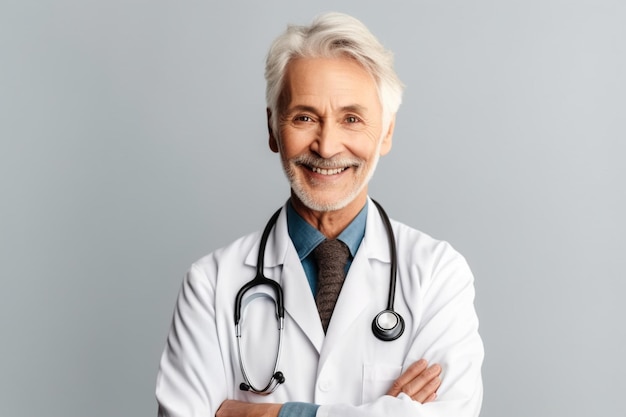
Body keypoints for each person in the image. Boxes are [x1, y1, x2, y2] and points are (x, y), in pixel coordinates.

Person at [156, 12, 483, 417]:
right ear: (273, 129)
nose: (327, 147)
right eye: (305, 117)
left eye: (351, 119)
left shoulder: (438, 274)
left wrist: (265, 413)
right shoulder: (212, 284)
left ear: (386, 133)